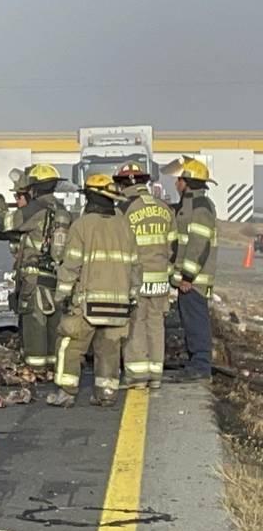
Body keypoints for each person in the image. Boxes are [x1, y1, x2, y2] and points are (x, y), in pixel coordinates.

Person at [46, 174, 141, 408]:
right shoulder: (125, 227)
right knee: (109, 349)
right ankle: (106, 393)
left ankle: (66, 392)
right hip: (119, 305)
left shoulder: (82, 225)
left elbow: (71, 265)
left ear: (90, 197)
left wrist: (62, 296)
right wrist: (132, 296)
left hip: (87, 303)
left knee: (70, 345)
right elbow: (135, 267)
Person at [0, 164, 72, 374]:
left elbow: (4, 223)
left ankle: (36, 371)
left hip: (35, 282)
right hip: (55, 279)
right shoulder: (61, 211)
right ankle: (53, 369)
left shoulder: (36, 209)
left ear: (34, 188)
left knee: (35, 328)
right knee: (53, 329)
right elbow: (8, 234)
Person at [114, 162, 176, 389]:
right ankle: (156, 375)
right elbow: (173, 245)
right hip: (160, 279)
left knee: (136, 324)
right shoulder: (165, 208)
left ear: (123, 185)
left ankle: (138, 377)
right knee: (156, 324)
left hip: (136, 278)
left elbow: (119, 246)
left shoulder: (123, 208)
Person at [165, 157, 218, 381]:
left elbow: (198, 244)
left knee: (196, 321)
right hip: (187, 280)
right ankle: (196, 363)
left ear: (187, 182)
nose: (176, 183)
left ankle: (201, 366)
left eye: (179, 179)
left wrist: (187, 276)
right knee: (190, 321)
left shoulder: (200, 207)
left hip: (194, 281)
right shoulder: (189, 206)